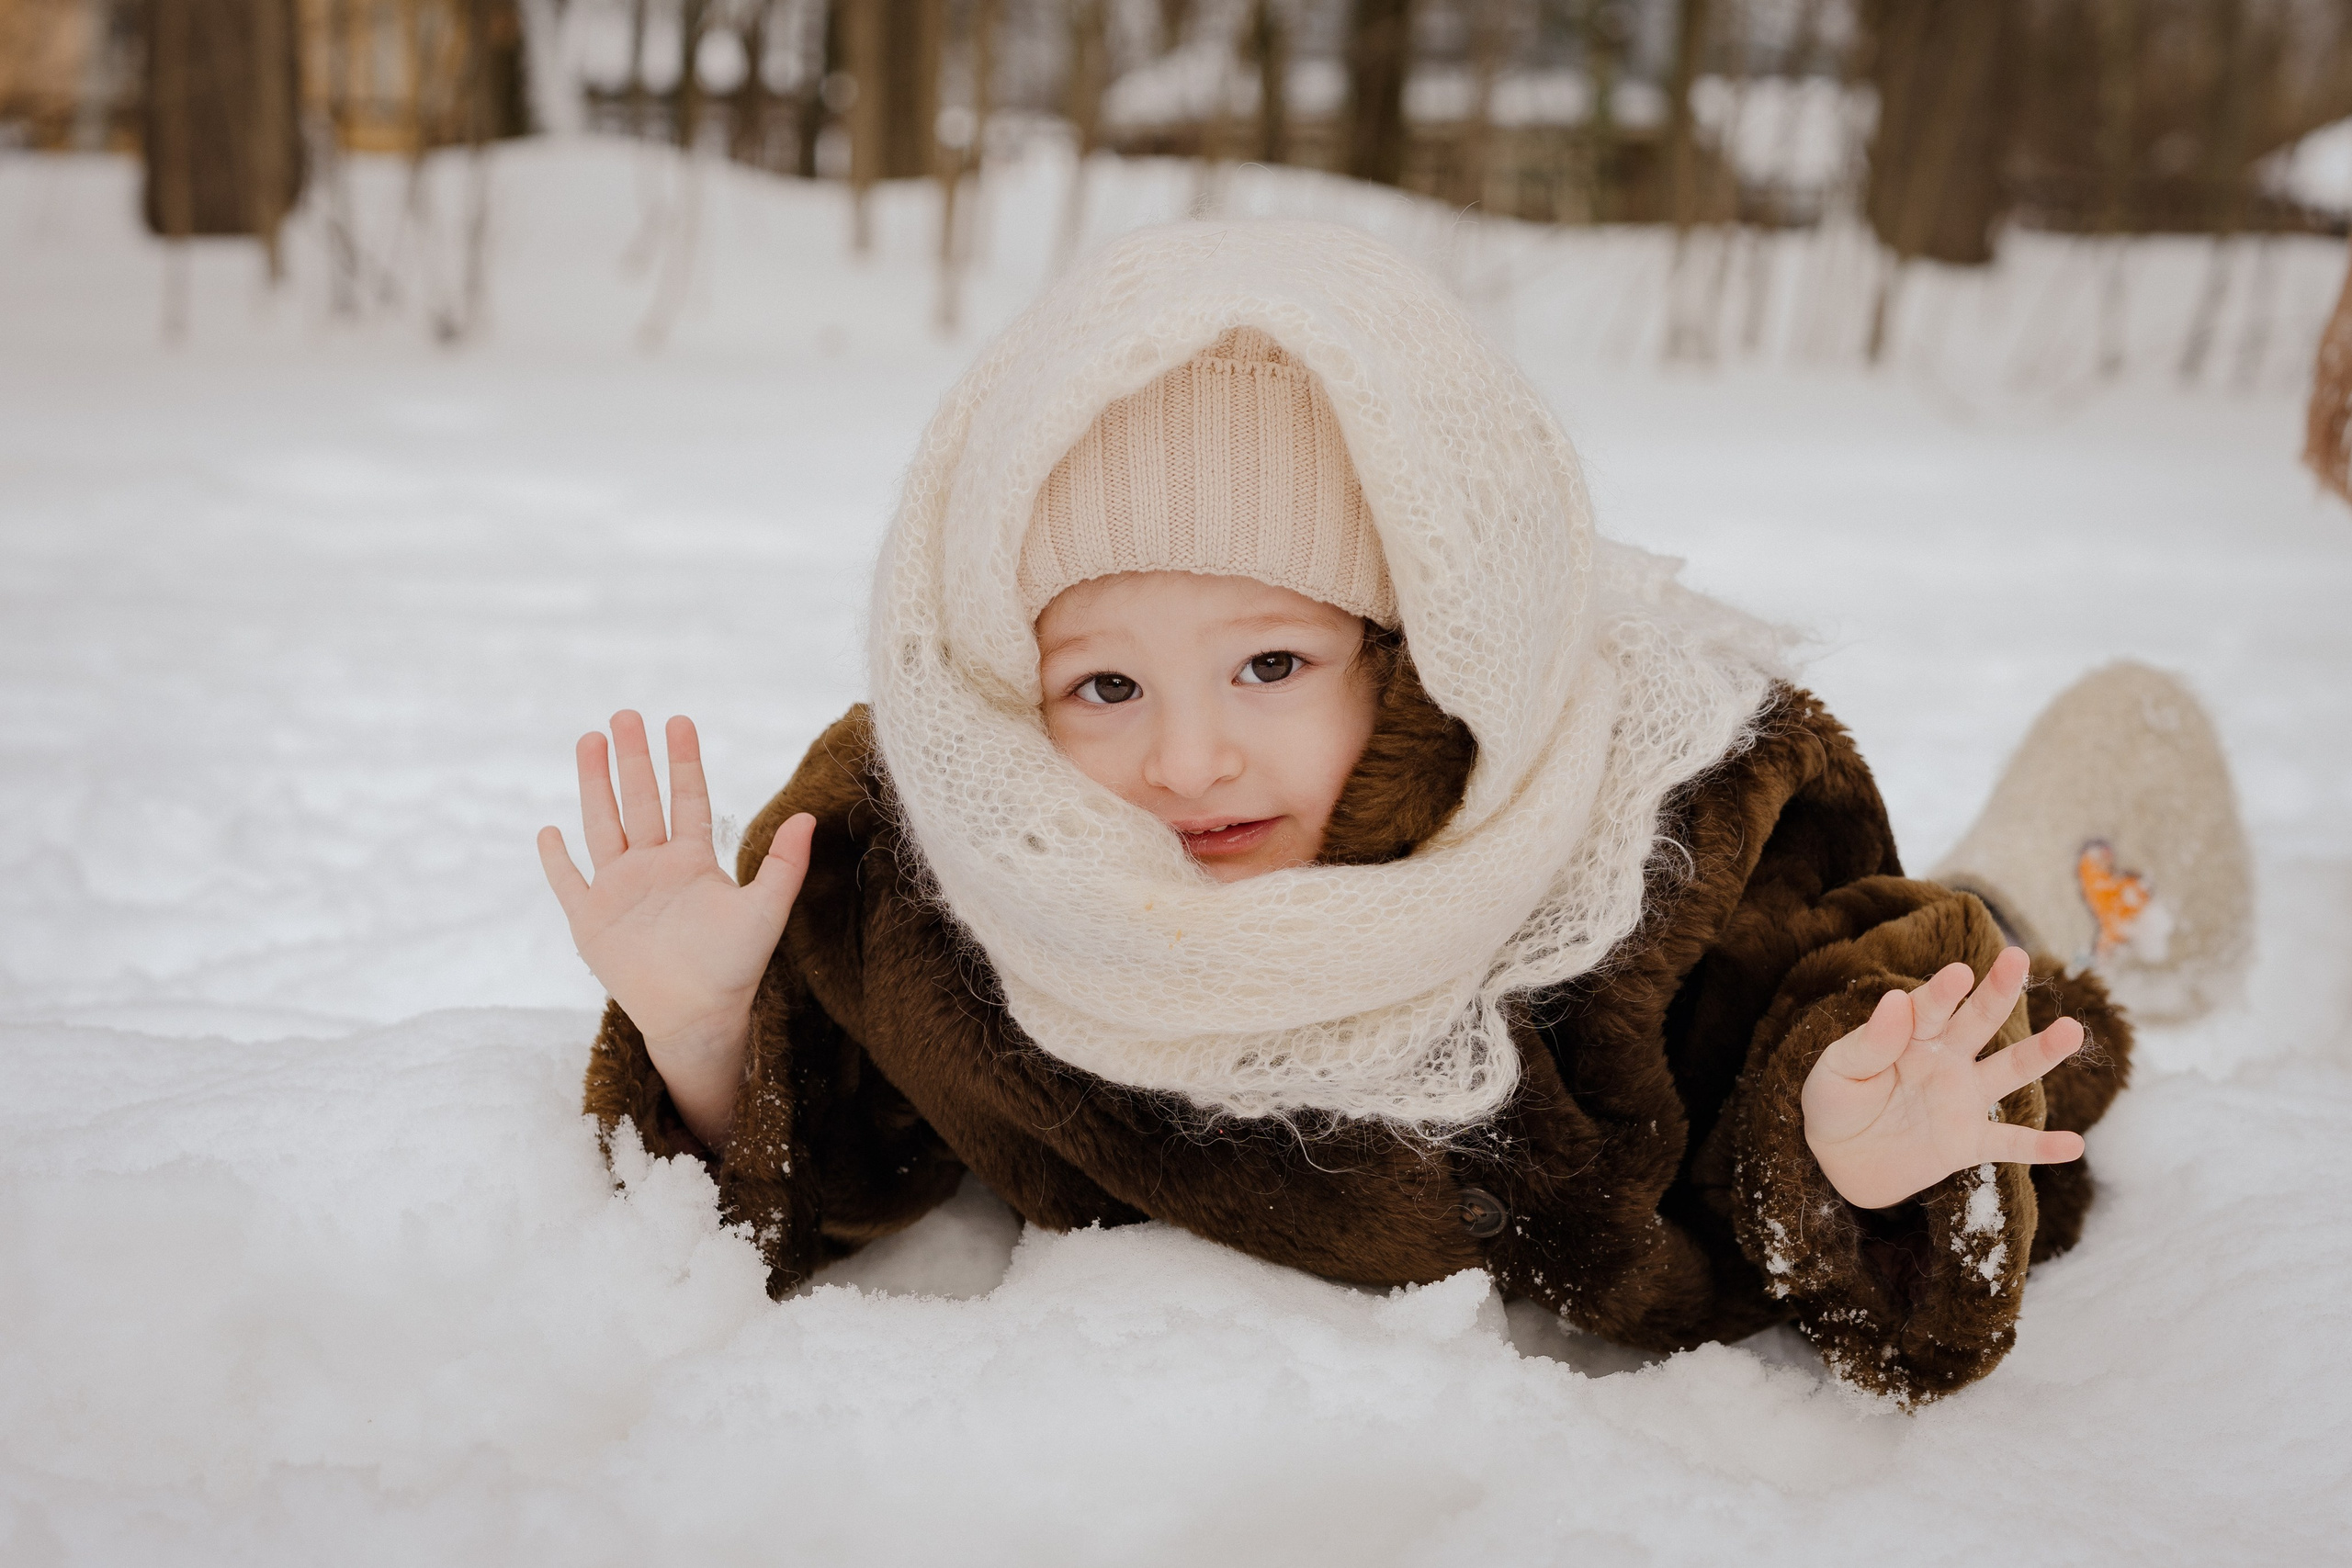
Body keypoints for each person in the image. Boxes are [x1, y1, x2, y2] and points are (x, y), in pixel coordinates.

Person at [538, 222, 2246, 1404]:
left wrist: (1854, 1152)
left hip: (1899, 1015)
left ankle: (2067, 872)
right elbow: (833, 1146)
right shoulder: (942, 868)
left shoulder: (1646, 837)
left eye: (1270, 665)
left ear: (1409, 652)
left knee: (1981, 981)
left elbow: (1825, 1016)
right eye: (1106, 686)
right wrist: (704, 1035)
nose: (1190, 760)